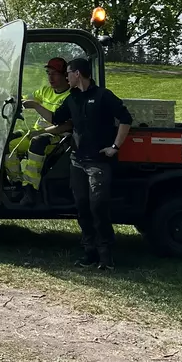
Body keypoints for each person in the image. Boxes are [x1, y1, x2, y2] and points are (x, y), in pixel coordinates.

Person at [49, 57, 132, 271]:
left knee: (98, 207)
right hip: (77, 161)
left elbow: (125, 119)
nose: (66, 77)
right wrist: (33, 105)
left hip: (98, 163)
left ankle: (106, 256)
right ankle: (89, 253)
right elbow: (56, 119)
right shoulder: (72, 98)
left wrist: (115, 146)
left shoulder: (103, 95)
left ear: (77, 74)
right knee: (82, 207)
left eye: (68, 73)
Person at [5, 57, 70, 197]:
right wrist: (12, 98)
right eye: (48, 73)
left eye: (54, 74)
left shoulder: (70, 97)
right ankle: (17, 183)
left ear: (65, 75)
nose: (50, 78)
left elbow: (65, 126)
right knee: (8, 142)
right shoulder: (46, 91)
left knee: (38, 142)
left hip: (57, 137)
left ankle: (31, 189)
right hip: (37, 132)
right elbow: (26, 98)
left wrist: (40, 131)